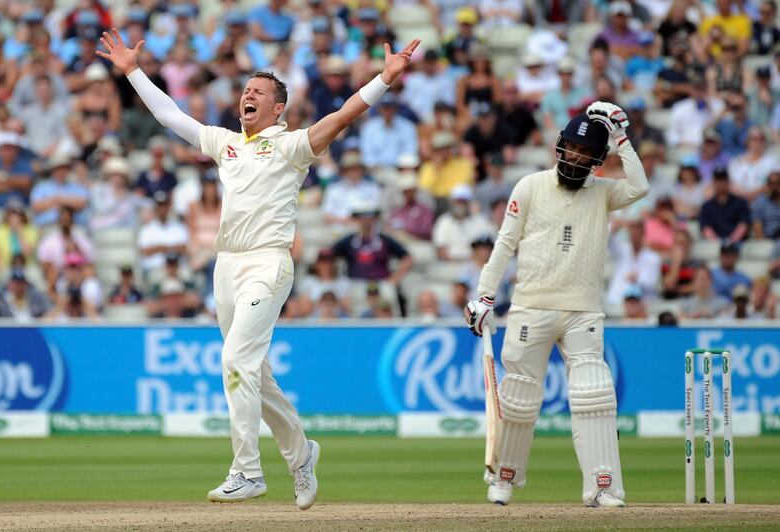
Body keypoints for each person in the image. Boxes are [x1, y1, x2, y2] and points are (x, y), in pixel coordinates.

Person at [97, 27, 420, 508]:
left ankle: (246, 471)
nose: (247, 94)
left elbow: (340, 116)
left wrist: (383, 80)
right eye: (245, 90)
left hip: (268, 263)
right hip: (225, 267)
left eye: (259, 92)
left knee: (234, 361)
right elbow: (170, 115)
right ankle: (301, 454)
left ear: (277, 109)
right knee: (255, 375)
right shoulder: (226, 144)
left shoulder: (290, 147)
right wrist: (134, 72)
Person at [464, 102, 648, 507]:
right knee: (519, 397)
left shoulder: (602, 193)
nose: (576, 158)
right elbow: (504, 244)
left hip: (582, 311)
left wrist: (620, 138)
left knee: (594, 394)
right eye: (572, 149)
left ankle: (602, 487)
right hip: (531, 307)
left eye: (586, 154)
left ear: (599, 161)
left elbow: (639, 187)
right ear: (560, 146)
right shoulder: (530, 186)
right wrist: (483, 295)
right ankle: (504, 478)